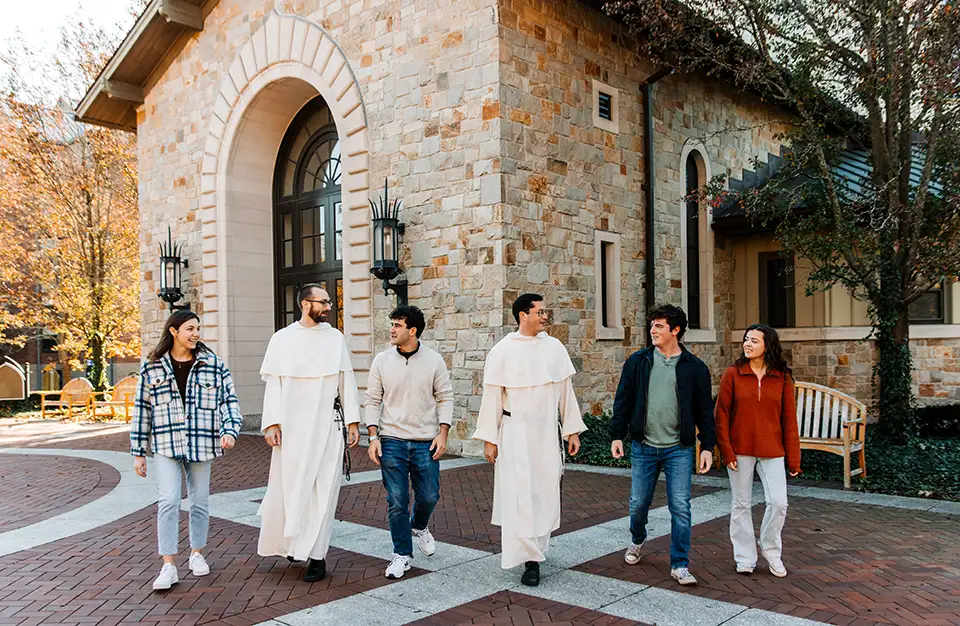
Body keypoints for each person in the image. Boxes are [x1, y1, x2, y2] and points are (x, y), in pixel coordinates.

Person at [472, 293, 587, 587]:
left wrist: (571, 430)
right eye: (540, 312)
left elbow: (565, 392)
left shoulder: (554, 348)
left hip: (547, 433)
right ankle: (530, 560)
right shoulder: (502, 351)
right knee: (519, 494)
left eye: (545, 311)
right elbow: (492, 397)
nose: (545, 316)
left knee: (544, 492)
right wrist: (489, 437)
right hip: (513, 433)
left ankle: (538, 548)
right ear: (523, 315)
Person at [131, 310, 243, 591]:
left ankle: (197, 554)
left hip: (202, 442)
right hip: (166, 444)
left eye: (198, 329)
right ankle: (168, 564)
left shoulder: (213, 364)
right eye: (190, 329)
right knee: (168, 500)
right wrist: (138, 452)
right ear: (174, 332)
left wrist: (229, 430)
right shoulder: (152, 367)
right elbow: (142, 410)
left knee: (199, 501)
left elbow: (229, 400)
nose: (195, 334)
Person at [257, 284, 361, 582]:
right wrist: (271, 423)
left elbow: (346, 379)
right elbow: (274, 385)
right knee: (290, 489)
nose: (329, 306)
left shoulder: (335, 338)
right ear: (305, 304)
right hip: (291, 429)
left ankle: (317, 555)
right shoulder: (282, 339)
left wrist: (353, 421)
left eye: (329, 301)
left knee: (325, 490)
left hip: (328, 426)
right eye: (323, 302)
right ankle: (294, 545)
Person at [610, 303, 716, 586]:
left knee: (680, 506)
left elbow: (705, 410)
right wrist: (617, 435)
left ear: (676, 330)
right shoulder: (639, 362)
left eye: (659, 326)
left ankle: (680, 563)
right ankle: (637, 539)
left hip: (678, 449)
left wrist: (707, 446)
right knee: (638, 503)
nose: (653, 330)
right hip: (644, 446)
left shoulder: (695, 368)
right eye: (652, 325)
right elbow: (623, 400)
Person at [364, 305, 454, 579]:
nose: (392, 329)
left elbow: (445, 396)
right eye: (392, 324)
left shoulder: (434, 360)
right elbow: (372, 399)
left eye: (398, 325)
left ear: (412, 330)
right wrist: (372, 437)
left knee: (429, 495)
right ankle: (401, 554)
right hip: (391, 440)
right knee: (397, 499)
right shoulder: (381, 361)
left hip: (425, 440)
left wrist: (443, 433)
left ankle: (420, 526)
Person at [715, 323, 800, 578]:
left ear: (768, 345)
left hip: (773, 451)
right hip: (740, 451)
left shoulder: (782, 376)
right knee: (741, 505)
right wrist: (727, 451)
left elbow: (789, 418)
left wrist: (794, 458)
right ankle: (744, 558)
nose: (748, 344)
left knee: (779, 503)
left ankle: (770, 549)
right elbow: (721, 415)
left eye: (754, 340)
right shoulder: (733, 373)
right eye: (746, 339)